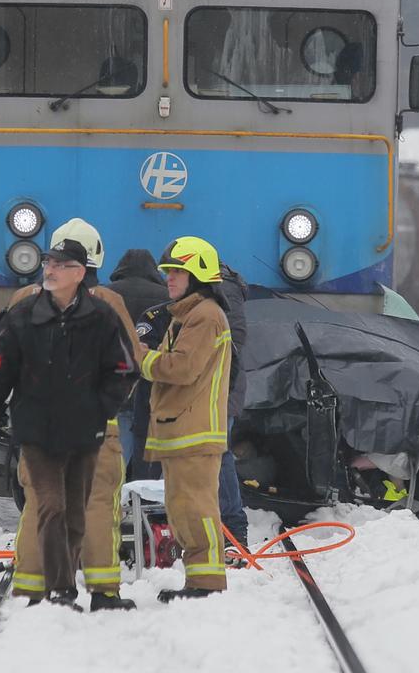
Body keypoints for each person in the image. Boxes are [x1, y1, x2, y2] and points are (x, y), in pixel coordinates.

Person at [0, 238, 137, 609]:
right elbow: (128, 364)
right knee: (96, 504)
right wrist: (103, 407)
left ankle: (35, 588)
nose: (51, 270)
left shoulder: (24, 306)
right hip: (85, 433)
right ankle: (99, 592)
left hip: (50, 431)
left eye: (59, 264)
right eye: (50, 263)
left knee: (44, 506)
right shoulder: (106, 307)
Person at [137, 236, 233, 601]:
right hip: (180, 430)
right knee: (183, 509)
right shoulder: (188, 316)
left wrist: (141, 357)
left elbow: (181, 368)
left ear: (198, 275)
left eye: (178, 271)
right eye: (168, 272)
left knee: (195, 509)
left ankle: (207, 585)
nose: (169, 279)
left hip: (194, 431)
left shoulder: (205, 316)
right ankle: (199, 581)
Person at [106, 249, 170, 479]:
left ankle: (114, 500)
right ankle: (142, 500)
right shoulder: (167, 297)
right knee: (149, 459)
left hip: (118, 384)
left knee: (116, 455)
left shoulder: (107, 294)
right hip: (151, 387)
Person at [214, 265, 250, 558]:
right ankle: (232, 530)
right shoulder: (229, 290)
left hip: (219, 391)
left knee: (219, 454)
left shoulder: (221, 290)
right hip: (224, 389)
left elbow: (232, 342)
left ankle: (233, 530)